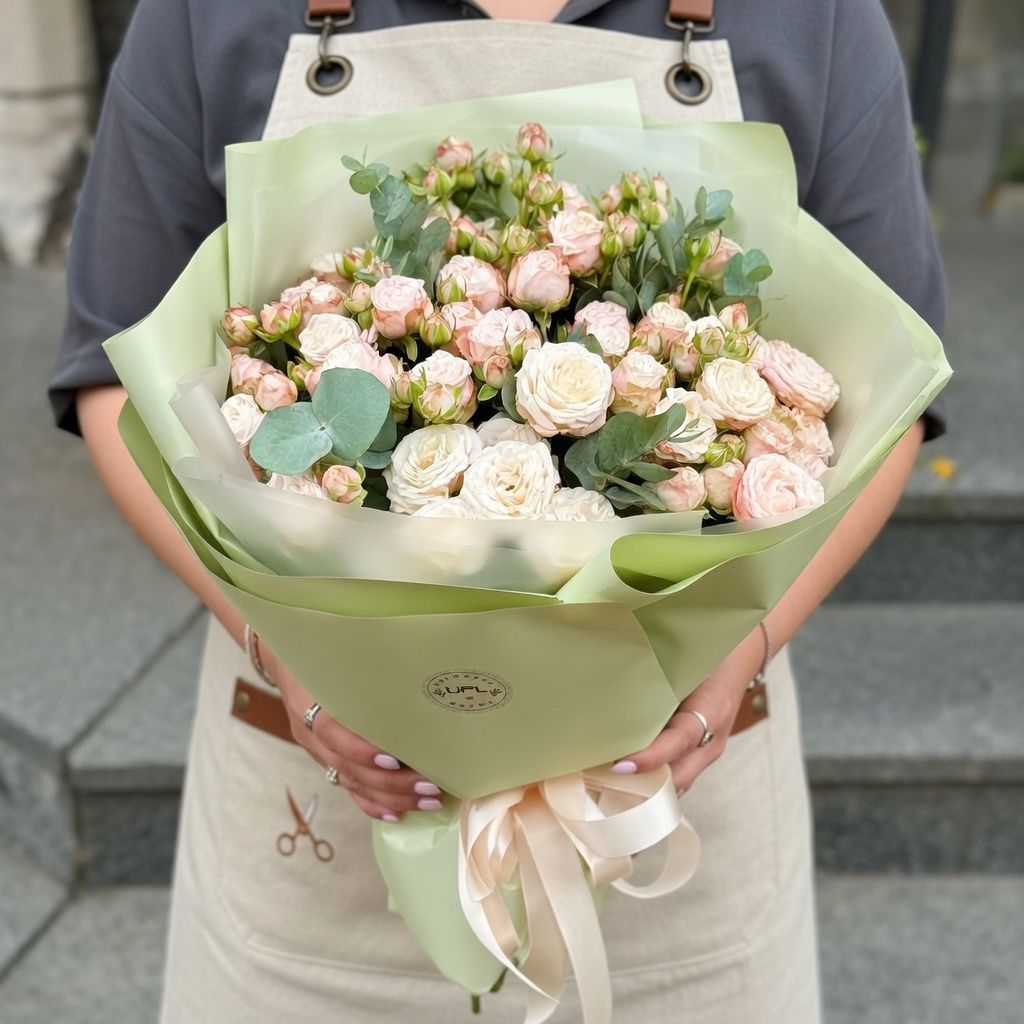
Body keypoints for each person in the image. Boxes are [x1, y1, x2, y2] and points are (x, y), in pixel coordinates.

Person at [50, 1, 946, 1021]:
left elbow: (892, 389)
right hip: (323, 835)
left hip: (661, 818)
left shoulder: (811, 17)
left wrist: (734, 655)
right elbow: (115, 372)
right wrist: (284, 653)